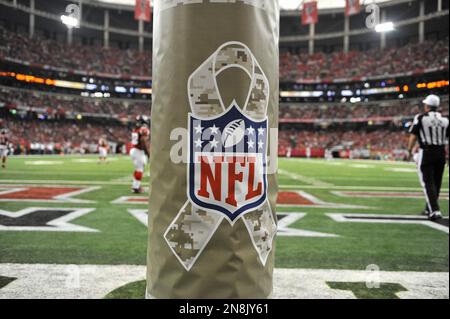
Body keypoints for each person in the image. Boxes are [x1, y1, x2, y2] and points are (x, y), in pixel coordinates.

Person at [407, 94, 449, 220]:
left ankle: (434, 210)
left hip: (427, 151)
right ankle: (429, 207)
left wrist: (409, 150)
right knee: (437, 183)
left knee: (428, 182)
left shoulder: (420, 117)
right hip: (441, 152)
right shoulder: (446, 119)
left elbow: (413, 135)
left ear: (427, 106)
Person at [130, 115, 150, 193]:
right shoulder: (143, 129)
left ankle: (135, 185)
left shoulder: (136, 129)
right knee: (140, 169)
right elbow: (143, 141)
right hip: (139, 151)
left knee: (138, 169)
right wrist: (148, 152)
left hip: (134, 150)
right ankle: (136, 187)